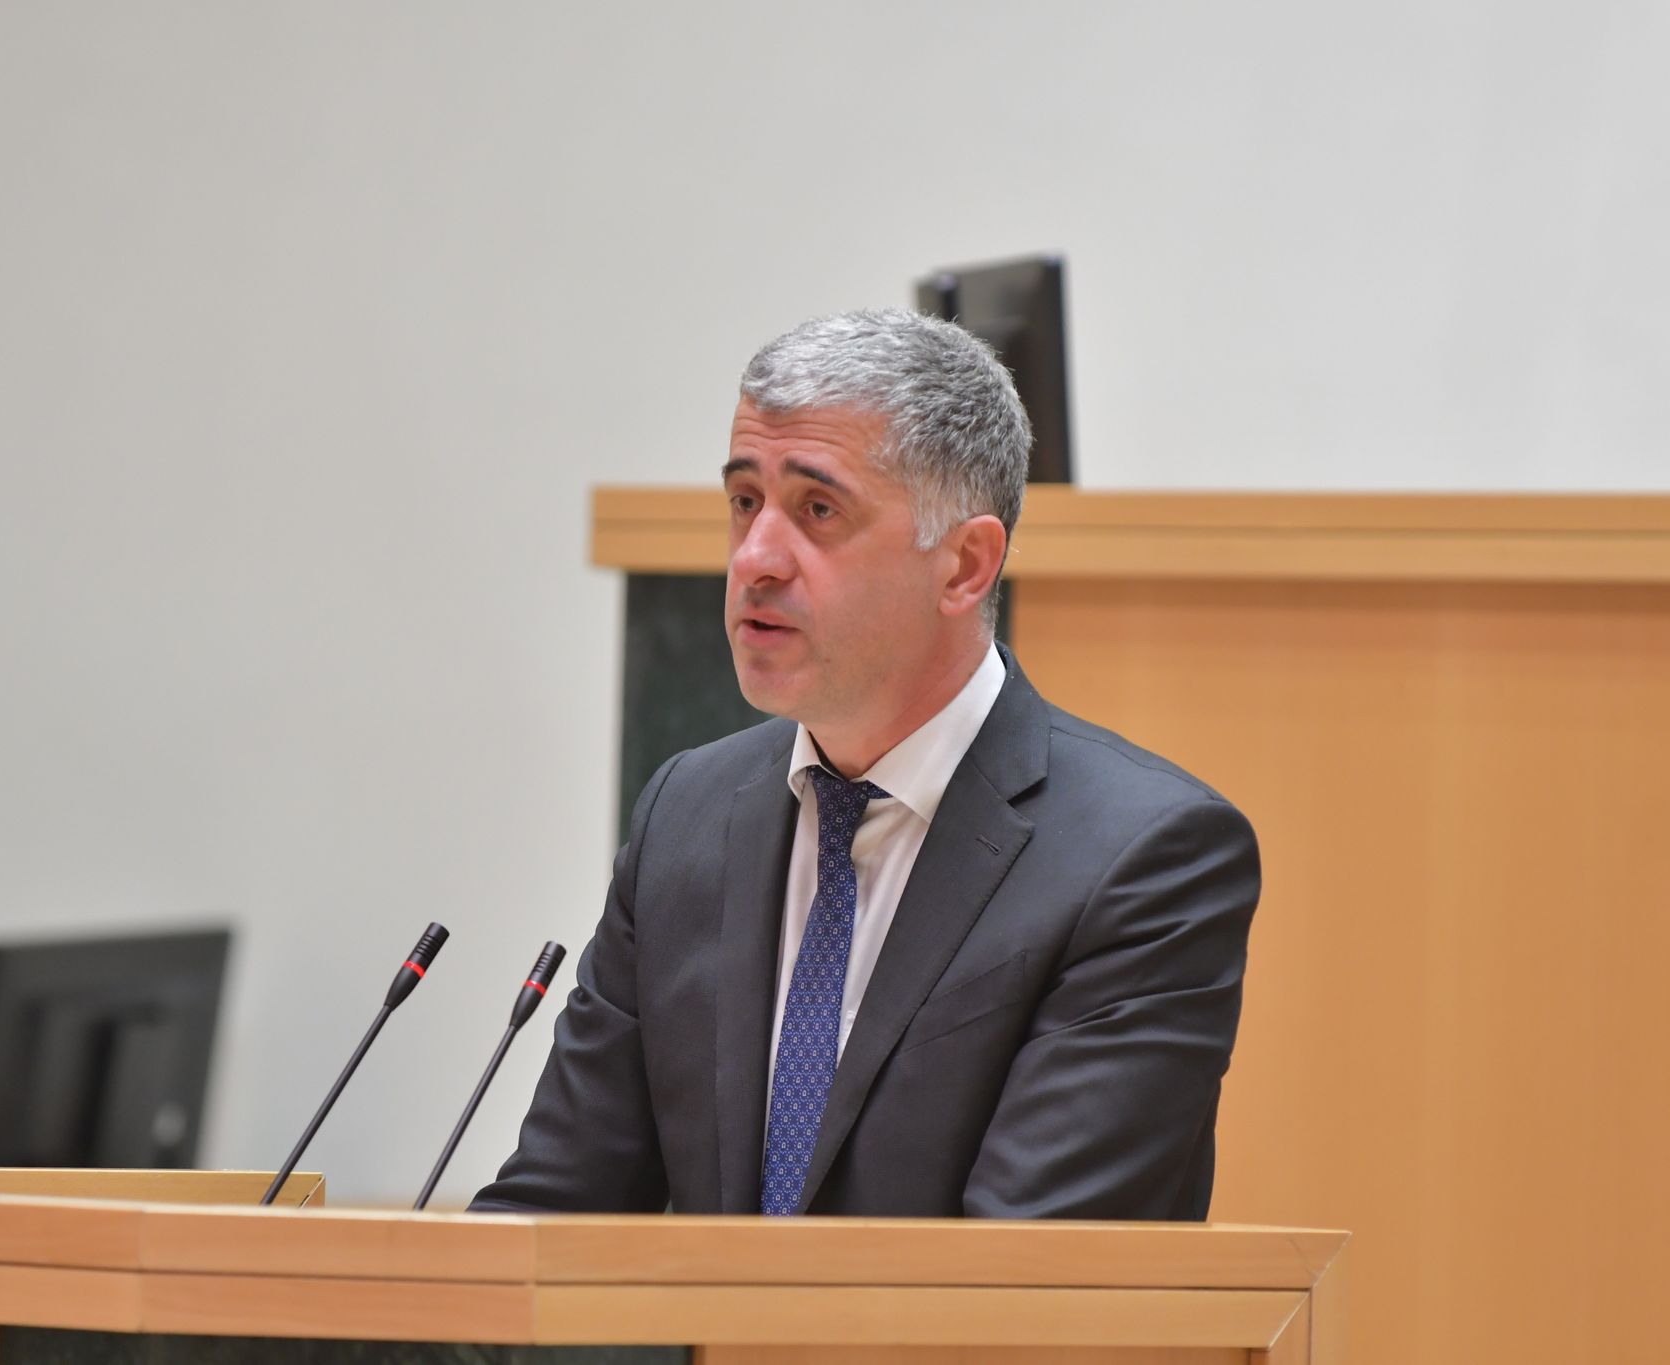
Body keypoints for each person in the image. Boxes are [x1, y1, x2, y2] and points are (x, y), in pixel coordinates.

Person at [473, 309, 1259, 1219]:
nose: (755, 558)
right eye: (744, 502)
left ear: (964, 565)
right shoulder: (686, 814)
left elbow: (1027, 1269)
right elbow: (552, 1215)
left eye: (818, 510)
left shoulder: (1144, 859)